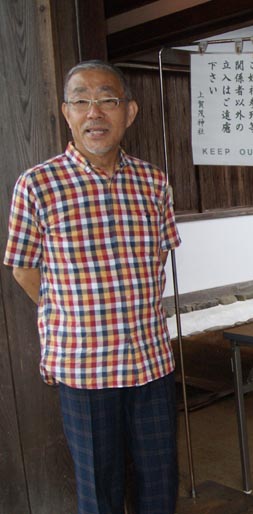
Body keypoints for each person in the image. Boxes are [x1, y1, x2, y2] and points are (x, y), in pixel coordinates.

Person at [4, 60, 181, 514]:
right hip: (84, 366)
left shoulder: (153, 181)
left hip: (150, 358)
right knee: (99, 488)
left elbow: (160, 251)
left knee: (160, 479)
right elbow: (23, 268)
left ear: (130, 112)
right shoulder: (38, 184)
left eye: (107, 99)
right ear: (67, 113)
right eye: (81, 100)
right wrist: (73, 312)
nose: (94, 112)